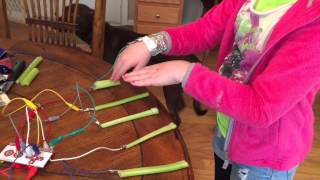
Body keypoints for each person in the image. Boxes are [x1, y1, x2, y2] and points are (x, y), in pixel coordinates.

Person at [110, 0, 320, 179]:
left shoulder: (313, 24)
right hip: (226, 131)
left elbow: (261, 108)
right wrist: (152, 43)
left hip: (264, 158)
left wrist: (185, 73)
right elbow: (204, 30)